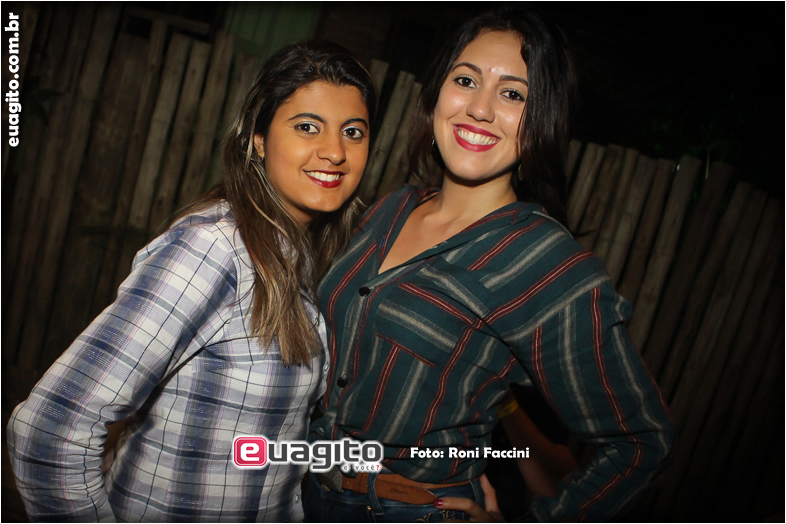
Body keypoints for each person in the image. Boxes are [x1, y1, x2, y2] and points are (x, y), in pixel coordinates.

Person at [306, 7, 674, 522]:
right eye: (466, 80)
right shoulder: (391, 207)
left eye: (513, 94)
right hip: (303, 493)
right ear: (437, 92)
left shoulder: (546, 264)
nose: (479, 108)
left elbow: (641, 442)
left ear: (542, 118)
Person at [7, 41, 376, 522]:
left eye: (353, 131)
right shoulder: (215, 250)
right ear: (259, 140)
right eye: (307, 126)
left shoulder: (299, 255)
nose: (334, 151)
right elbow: (48, 434)